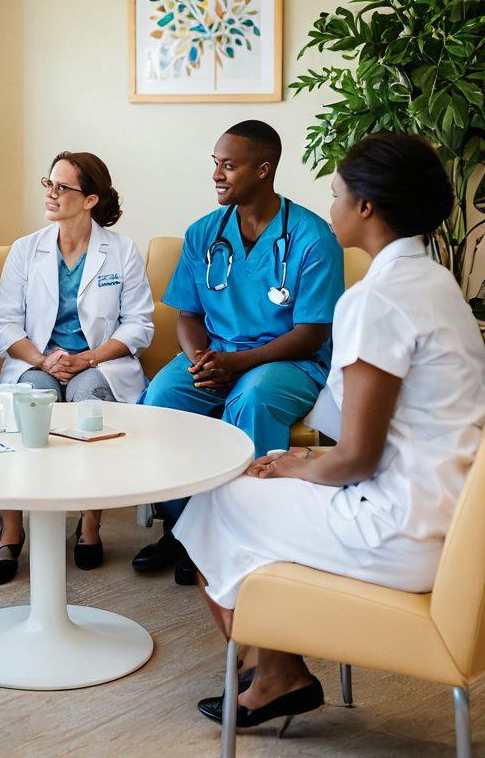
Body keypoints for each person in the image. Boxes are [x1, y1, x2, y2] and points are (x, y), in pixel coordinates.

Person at [174, 133, 485, 733]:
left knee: (216, 502)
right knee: (251, 496)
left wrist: (297, 466)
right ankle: (275, 669)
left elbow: (356, 458)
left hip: (400, 528)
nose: (332, 205)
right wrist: (300, 464)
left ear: (367, 207)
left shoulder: (376, 301)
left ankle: (273, 672)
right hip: (443, 506)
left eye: (338, 193)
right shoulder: (437, 284)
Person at [133, 120, 344, 584]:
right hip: (216, 355)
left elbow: (311, 332)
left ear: (264, 170)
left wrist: (238, 364)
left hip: (288, 362)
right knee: (163, 398)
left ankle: (243, 529)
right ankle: (183, 528)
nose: (217, 174)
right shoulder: (204, 232)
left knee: (252, 398)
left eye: (229, 165)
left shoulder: (312, 238)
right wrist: (199, 359)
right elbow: (187, 316)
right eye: (215, 164)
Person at [0, 152, 154, 581]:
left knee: (90, 406)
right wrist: (44, 359)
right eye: (49, 183)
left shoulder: (121, 251)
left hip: (98, 363)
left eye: (63, 187)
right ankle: (10, 532)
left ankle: (90, 524)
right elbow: (5, 323)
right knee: (26, 404)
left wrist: (88, 358)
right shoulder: (26, 250)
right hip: (38, 359)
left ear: (89, 200)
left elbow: (139, 325)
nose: (51, 193)